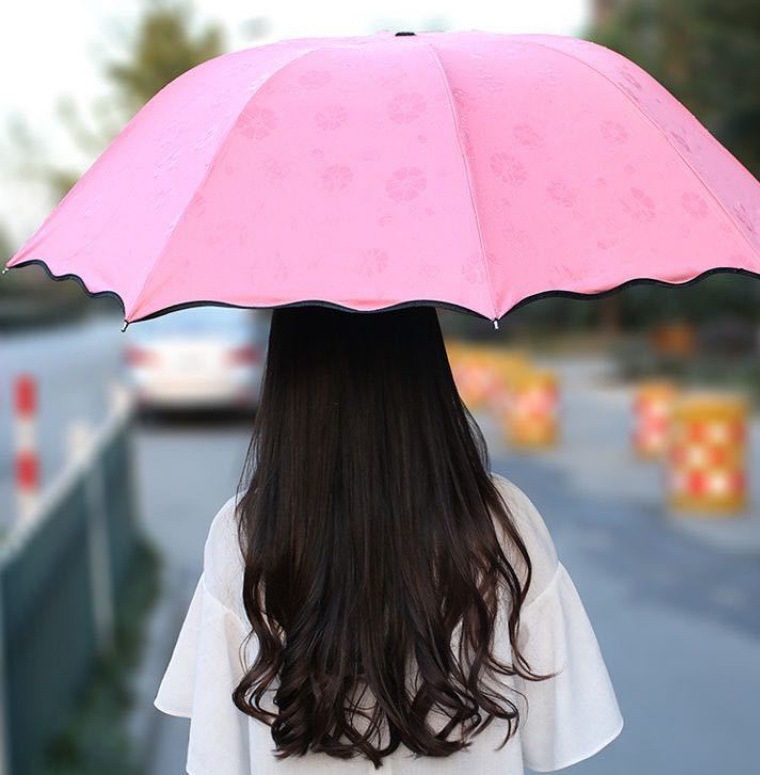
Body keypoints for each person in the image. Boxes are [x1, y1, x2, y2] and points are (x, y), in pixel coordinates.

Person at [153, 305, 623, 773]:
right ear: (427, 365)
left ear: (286, 376)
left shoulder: (245, 534)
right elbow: (555, 734)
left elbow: (219, 751)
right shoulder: (502, 521)